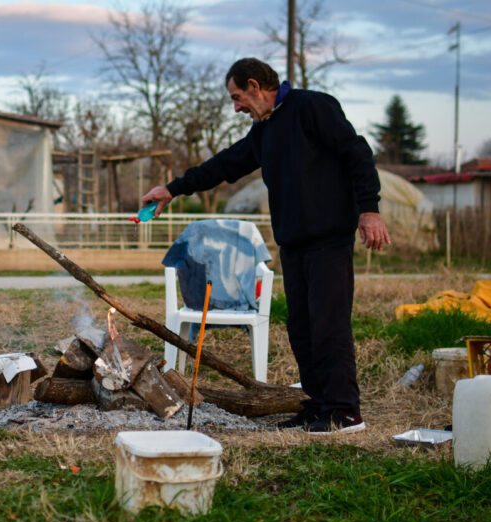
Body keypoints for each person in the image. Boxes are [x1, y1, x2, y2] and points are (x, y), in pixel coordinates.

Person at [141, 58, 390, 434]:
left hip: (328, 238)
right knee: (301, 327)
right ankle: (318, 404)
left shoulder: (312, 107)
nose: (237, 106)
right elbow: (224, 164)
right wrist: (173, 189)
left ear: (256, 86)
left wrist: (369, 209)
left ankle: (345, 411)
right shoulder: (265, 131)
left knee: (328, 323)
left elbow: (357, 152)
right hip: (294, 242)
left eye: (238, 97)